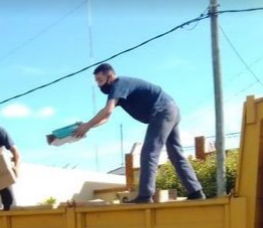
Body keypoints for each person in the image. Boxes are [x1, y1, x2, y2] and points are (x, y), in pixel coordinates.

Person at [74, 63, 205, 203]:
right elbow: (105, 118)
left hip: (161, 110)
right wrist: (86, 126)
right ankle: (196, 192)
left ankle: (145, 195)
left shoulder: (118, 83)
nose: (99, 86)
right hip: (170, 109)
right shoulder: (119, 87)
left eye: (100, 80)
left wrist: (87, 126)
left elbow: (108, 110)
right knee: (175, 153)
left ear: (110, 76)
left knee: (149, 152)